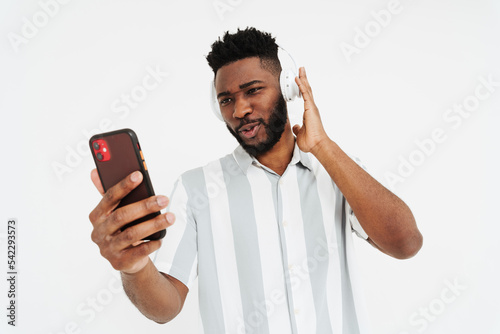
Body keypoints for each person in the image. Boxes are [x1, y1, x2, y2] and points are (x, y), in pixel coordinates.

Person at [88, 27, 423, 333]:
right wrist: (134, 268)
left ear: (289, 88)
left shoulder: (337, 172)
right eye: (226, 99)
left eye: (253, 91)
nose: (239, 110)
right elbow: (165, 308)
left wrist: (322, 146)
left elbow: (405, 244)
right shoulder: (196, 189)